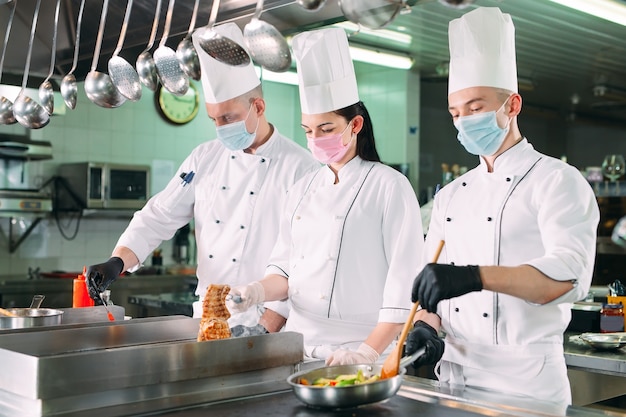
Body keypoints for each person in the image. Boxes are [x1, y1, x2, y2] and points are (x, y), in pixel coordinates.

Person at [405, 7, 600, 405]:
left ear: (512, 105)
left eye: (475, 108)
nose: (463, 122)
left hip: (526, 381)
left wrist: (474, 277)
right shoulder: (451, 194)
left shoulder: (558, 180)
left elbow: (564, 280)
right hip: (456, 377)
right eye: (456, 113)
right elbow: (432, 288)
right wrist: (426, 325)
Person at [85, 23, 319, 333]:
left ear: (258, 107)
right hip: (208, 315)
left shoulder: (301, 168)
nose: (221, 128)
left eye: (228, 118)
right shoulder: (205, 157)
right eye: (214, 120)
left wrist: (264, 329)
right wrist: (119, 261)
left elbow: (300, 264)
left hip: (267, 320)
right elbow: (158, 216)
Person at [227, 28, 425, 365]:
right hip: (299, 348)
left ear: (355, 125)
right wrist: (256, 291)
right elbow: (285, 273)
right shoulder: (301, 189)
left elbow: (405, 286)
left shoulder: (389, 186)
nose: (316, 139)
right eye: (308, 131)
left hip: (363, 350)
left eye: (327, 129)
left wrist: (366, 353)